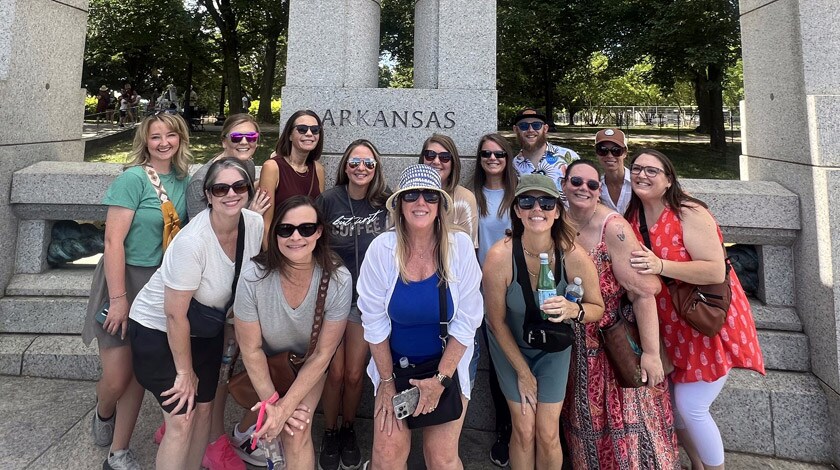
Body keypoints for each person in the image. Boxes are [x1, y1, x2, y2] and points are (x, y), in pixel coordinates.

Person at [625, 149, 766, 470]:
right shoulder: (633, 215)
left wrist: (661, 264)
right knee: (674, 408)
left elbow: (715, 271)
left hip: (705, 322)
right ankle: (698, 465)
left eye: (652, 171)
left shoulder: (688, 212)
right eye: (637, 168)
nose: (642, 175)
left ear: (668, 179)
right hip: (670, 326)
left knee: (691, 407)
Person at [148, 113, 269, 469]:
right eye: (237, 135)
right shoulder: (207, 176)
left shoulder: (247, 173)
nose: (245, 141)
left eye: (252, 136)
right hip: (202, 298)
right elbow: (211, 236)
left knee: (219, 371)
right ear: (223, 139)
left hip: (226, 300)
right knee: (211, 375)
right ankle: (211, 441)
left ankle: (197, 434)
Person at [81, 113, 191, 470]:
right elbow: (112, 241)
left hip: (162, 285)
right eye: (155, 136)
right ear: (145, 141)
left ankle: (118, 452)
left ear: (180, 138)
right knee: (116, 377)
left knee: (137, 373)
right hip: (124, 280)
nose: (163, 143)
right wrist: (118, 300)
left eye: (170, 135)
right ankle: (104, 410)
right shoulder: (133, 179)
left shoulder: (186, 181)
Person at [358, 164, 483, 469]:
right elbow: (374, 323)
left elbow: (467, 321)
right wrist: (386, 383)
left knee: (441, 457)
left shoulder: (461, 248)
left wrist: (440, 380)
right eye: (411, 195)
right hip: (395, 368)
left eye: (430, 196)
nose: (421, 202)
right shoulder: (381, 250)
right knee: (386, 456)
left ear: (441, 205)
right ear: (399, 205)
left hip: (447, 367)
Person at [560, 160, 679, 469]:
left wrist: (651, 354)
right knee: (584, 422)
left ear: (600, 190)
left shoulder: (613, 228)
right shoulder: (556, 220)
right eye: (576, 182)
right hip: (572, 348)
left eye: (591, 185)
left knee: (626, 421)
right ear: (563, 184)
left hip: (611, 345)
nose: (583, 189)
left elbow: (642, 292)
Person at [483, 174, 604, 470]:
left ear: (558, 210)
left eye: (546, 202)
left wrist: (572, 310)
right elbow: (496, 321)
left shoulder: (574, 256)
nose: (537, 208)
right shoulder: (499, 257)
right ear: (517, 210)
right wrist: (523, 373)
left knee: (548, 433)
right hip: (510, 346)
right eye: (527, 201)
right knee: (523, 429)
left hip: (553, 348)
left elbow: (596, 308)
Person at [234, 196, 352, 470]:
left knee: (295, 430)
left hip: (307, 365)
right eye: (285, 229)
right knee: (275, 419)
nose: (295, 237)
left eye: (306, 229)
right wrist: (273, 406)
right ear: (274, 234)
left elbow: (323, 354)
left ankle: (253, 434)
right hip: (267, 363)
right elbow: (250, 348)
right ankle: (246, 435)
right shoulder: (254, 274)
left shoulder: (338, 280)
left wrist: (285, 411)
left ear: (319, 231)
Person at [315, 139, 391, 470]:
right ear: (345, 166)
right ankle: (330, 431)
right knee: (333, 373)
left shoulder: (385, 202)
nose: (361, 168)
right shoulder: (328, 201)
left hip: (366, 302)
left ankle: (349, 428)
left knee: (354, 373)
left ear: (376, 168)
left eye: (368, 163)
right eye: (355, 162)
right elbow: (309, 240)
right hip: (333, 298)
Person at [472, 133, 517, 467]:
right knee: (497, 362)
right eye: (486, 153)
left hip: (518, 286)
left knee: (520, 355)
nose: (492, 158)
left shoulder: (520, 195)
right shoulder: (472, 196)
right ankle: (503, 430)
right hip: (481, 289)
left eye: (499, 153)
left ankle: (522, 429)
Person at [258, 110, 326, 249]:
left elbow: (318, 217)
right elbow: (265, 224)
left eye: (315, 130)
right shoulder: (272, 167)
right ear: (289, 135)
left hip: (307, 249)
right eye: (302, 129)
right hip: (279, 248)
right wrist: (271, 261)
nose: (309, 134)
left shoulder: (318, 170)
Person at [186, 113, 271, 219]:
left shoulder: (248, 165)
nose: (244, 142)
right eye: (236, 137)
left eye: (251, 137)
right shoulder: (200, 181)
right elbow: (197, 230)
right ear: (224, 142)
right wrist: (250, 216)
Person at [419, 133, 479, 248]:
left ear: (453, 162)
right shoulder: (403, 193)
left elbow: (468, 249)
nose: (436, 161)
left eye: (444, 157)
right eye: (430, 155)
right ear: (423, 159)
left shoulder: (465, 198)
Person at [511, 108, 579, 196]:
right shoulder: (511, 167)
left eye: (536, 125)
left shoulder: (569, 157)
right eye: (523, 126)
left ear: (545, 128)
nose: (530, 130)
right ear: (516, 130)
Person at [594, 128, 633, 214]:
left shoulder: (637, 182)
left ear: (625, 153)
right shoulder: (595, 187)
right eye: (603, 150)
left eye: (616, 151)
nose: (609, 155)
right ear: (597, 153)